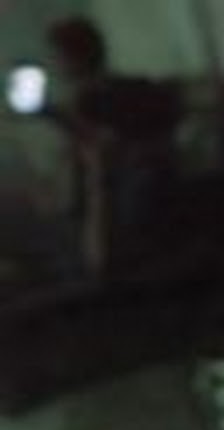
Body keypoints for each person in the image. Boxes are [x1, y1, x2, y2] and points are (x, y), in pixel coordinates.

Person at [43, 15, 183, 275]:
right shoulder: (135, 89)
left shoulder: (90, 106)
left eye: (57, 57)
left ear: (71, 58)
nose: (55, 66)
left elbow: (81, 193)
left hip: (124, 225)